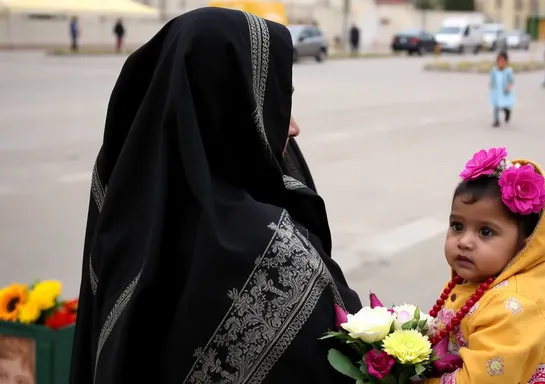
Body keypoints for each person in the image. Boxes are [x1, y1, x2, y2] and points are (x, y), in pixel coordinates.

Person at [69, 8, 362, 384]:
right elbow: (354, 357)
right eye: (275, 102)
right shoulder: (272, 250)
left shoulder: (123, 213)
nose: (293, 126)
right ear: (233, 105)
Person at [423, 147, 545, 384]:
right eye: (457, 226)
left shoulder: (516, 306)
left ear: (525, 244)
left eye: (486, 231)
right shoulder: (476, 278)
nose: (465, 242)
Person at [488, 51, 514, 128]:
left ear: (506, 62)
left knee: (504, 105)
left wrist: (508, 87)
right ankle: (496, 120)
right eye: (499, 61)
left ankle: (507, 111)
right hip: (496, 91)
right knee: (496, 106)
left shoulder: (508, 71)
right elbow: (492, 79)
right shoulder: (494, 70)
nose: (501, 63)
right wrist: (491, 85)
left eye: (503, 61)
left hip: (505, 91)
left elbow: (511, 80)